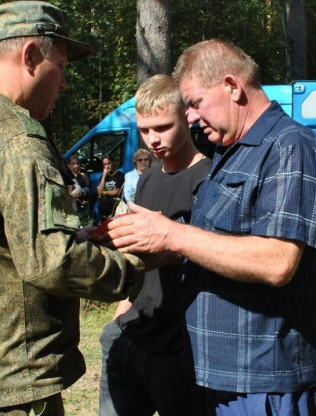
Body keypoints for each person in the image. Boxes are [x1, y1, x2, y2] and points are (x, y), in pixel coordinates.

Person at [0, 2, 146, 414]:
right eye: (60, 64)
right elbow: (52, 263)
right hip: (11, 386)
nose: (64, 84)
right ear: (30, 56)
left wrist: (75, 237)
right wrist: (136, 264)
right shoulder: (15, 137)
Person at [105, 39, 316, 415]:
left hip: (263, 382)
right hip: (213, 375)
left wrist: (172, 234)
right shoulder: (231, 151)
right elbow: (216, 248)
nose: (190, 117)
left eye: (194, 103)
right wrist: (163, 251)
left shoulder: (290, 146)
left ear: (232, 86)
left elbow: (277, 261)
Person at [98, 74, 211, 416]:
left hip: (179, 351)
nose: (153, 140)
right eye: (145, 130)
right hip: (129, 335)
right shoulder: (145, 180)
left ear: (186, 117)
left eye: (162, 127)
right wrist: (119, 315)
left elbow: (217, 255)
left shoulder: (210, 178)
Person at [96, 156, 125, 221]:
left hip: (115, 202)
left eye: (109, 163)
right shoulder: (103, 177)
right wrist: (104, 176)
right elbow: (99, 191)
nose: (107, 166)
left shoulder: (121, 175)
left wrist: (105, 192)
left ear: (113, 163)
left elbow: (118, 191)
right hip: (104, 204)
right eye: (105, 164)